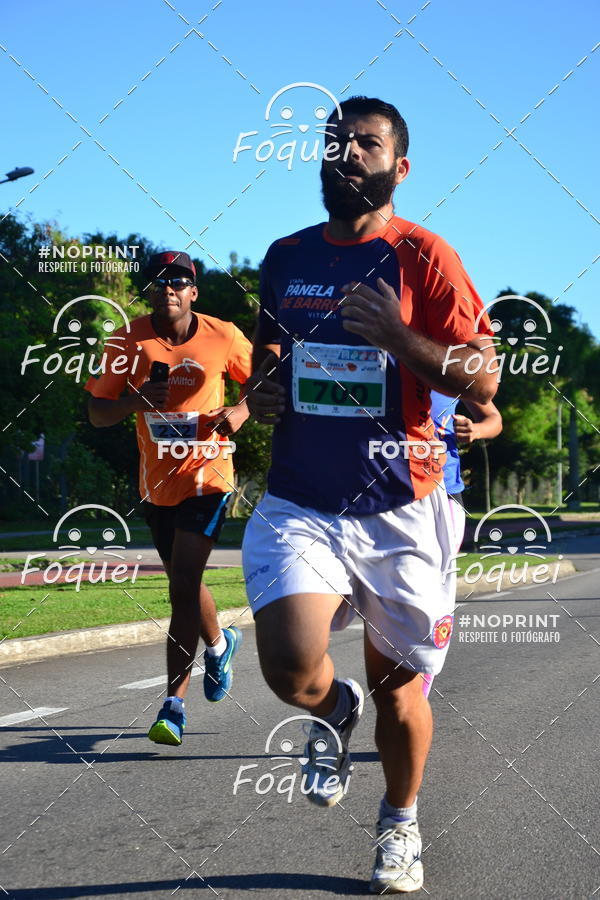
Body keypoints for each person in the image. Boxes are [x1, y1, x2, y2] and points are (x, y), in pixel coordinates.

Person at [242, 96, 498, 894]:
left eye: (367, 143)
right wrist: (264, 390)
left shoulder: (426, 256)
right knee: (291, 667)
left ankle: (399, 821)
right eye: (336, 141)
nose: (348, 152)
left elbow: (483, 378)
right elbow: (267, 355)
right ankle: (331, 708)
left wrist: (396, 335)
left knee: (400, 692)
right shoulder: (285, 256)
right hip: (302, 498)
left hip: (400, 506)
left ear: (399, 166)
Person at [86, 251, 251, 746]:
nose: (168, 289)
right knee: (184, 578)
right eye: (158, 282)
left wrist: (241, 410)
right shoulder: (126, 340)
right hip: (157, 483)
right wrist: (134, 402)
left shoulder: (223, 335)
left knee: (182, 583)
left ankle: (173, 705)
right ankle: (219, 644)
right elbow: (97, 412)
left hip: (208, 474)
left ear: (193, 291)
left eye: (178, 281)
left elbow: (269, 377)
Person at [419, 393, 503, 699]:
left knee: (432, 594)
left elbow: (494, 418)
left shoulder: (451, 370)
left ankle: (416, 696)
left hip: (444, 493)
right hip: (376, 490)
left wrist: (475, 430)